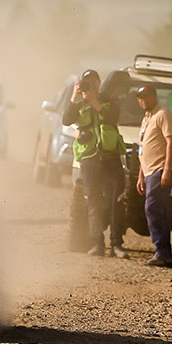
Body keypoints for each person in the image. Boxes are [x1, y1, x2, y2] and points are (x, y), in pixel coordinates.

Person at [63, 69, 126, 258]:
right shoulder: (79, 103)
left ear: (99, 82)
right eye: (87, 81)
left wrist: (94, 101)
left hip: (110, 156)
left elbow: (112, 117)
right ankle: (97, 243)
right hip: (90, 158)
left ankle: (117, 244)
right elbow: (66, 120)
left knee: (116, 201)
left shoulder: (108, 99)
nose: (91, 84)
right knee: (93, 202)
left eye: (93, 81)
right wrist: (75, 97)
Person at [135, 86, 172, 269]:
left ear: (154, 97)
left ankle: (160, 250)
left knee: (152, 208)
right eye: (140, 97)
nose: (143, 100)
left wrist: (166, 169)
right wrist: (140, 175)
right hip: (149, 171)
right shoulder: (146, 118)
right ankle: (164, 254)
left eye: (146, 96)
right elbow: (144, 148)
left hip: (159, 170)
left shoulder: (163, 114)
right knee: (160, 212)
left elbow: (170, 142)